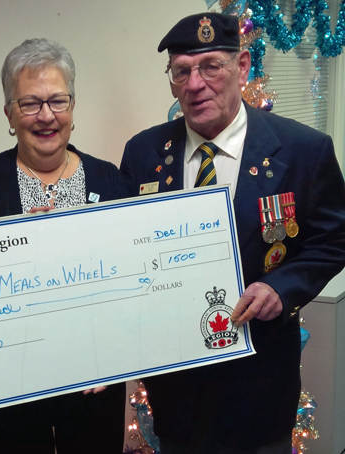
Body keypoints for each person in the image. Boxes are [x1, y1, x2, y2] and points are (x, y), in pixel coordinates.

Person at [120, 12, 345, 454]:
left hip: (259, 386)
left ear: (242, 67)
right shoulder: (144, 152)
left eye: (210, 67)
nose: (195, 84)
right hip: (175, 391)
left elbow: (334, 239)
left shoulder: (302, 150)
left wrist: (282, 287)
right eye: (181, 71)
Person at [0, 38, 129, 454]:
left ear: (73, 106)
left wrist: (120, 354)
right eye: (30, 103)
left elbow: (129, 281)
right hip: (10, 388)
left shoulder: (111, 180)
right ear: (9, 114)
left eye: (57, 100)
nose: (46, 116)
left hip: (96, 383)